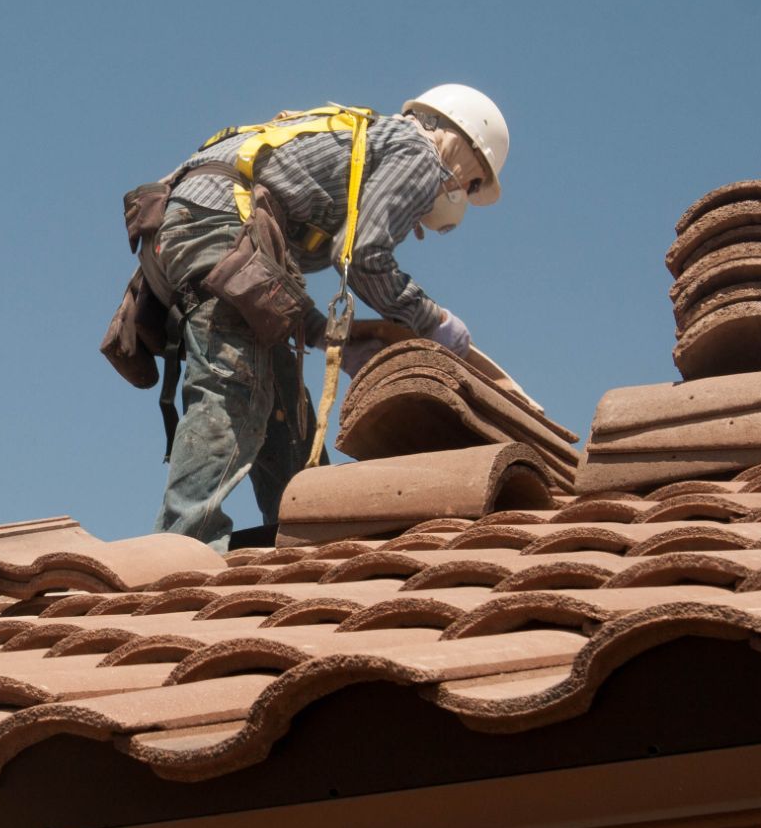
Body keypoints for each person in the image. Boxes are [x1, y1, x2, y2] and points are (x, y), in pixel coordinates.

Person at [151, 85, 510, 549]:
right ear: (469, 151)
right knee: (236, 386)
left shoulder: (365, 141)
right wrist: (431, 321)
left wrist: (326, 335)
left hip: (196, 224)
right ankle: (181, 550)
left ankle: (309, 534)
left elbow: (264, 275)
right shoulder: (422, 153)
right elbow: (362, 255)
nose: (452, 192)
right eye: (471, 184)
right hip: (219, 223)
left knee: (283, 401)